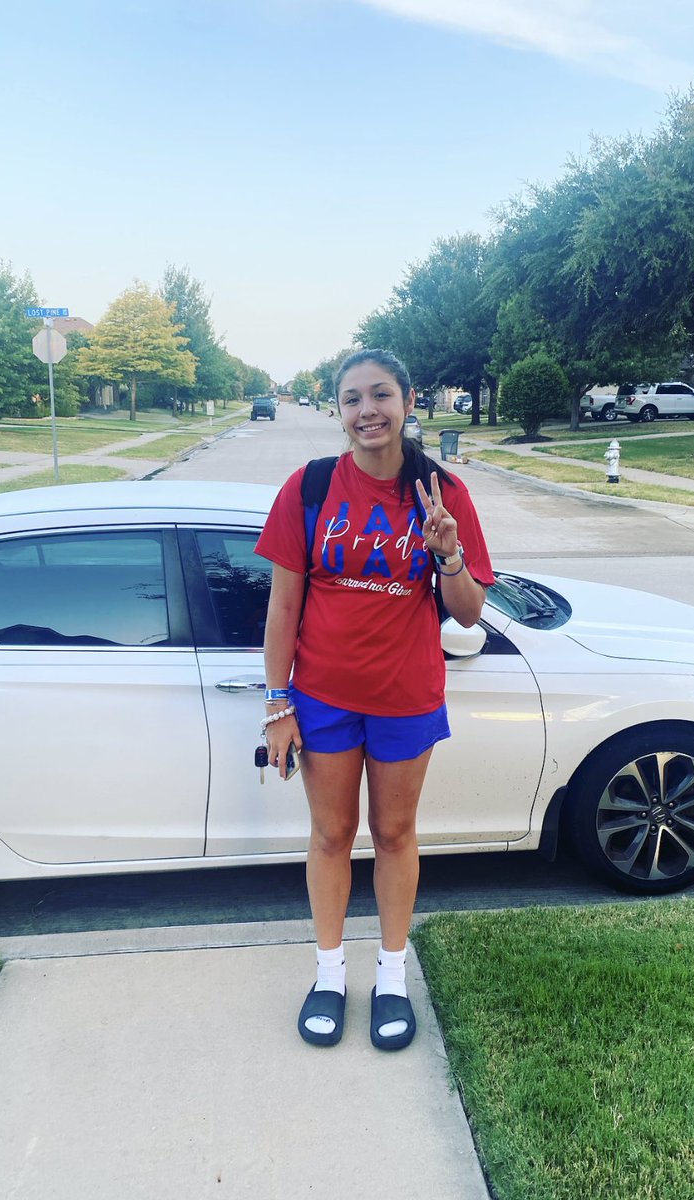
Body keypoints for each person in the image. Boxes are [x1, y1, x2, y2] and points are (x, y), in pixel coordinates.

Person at [255, 348, 494, 1052]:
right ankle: (329, 973)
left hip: (406, 696)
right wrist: (278, 704)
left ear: (407, 400)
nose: (368, 410)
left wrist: (446, 551)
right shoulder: (310, 487)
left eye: (380, 394)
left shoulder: (441, 493)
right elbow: (282, 606)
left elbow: (469, 612)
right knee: (331, 836)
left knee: (393, 836)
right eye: (352, 398)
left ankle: (392, 976)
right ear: (337, 410)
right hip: (323, 696)